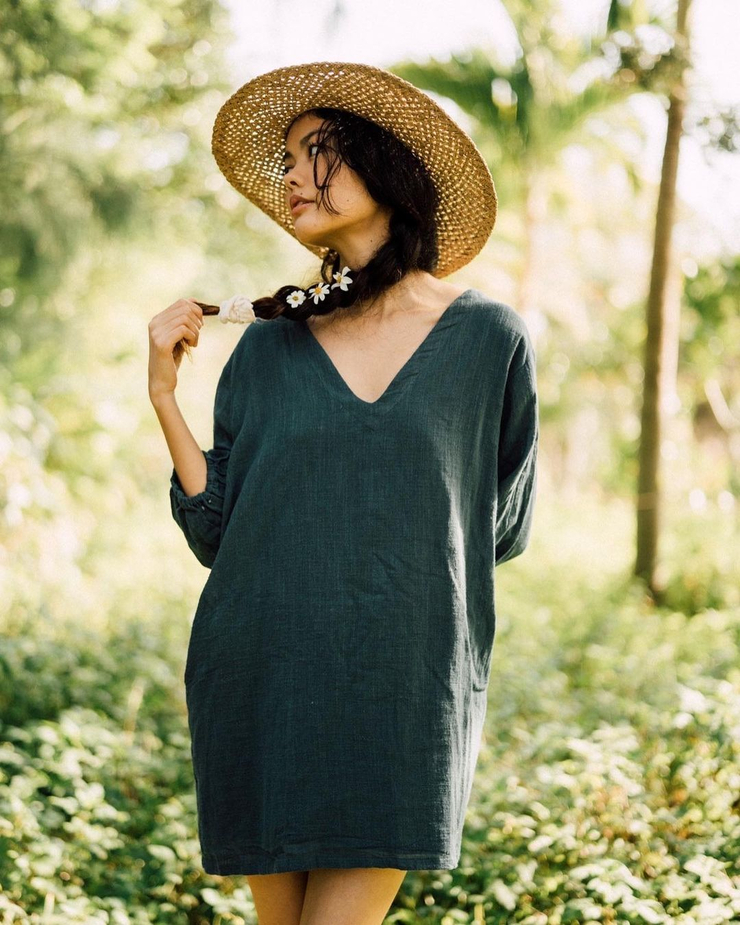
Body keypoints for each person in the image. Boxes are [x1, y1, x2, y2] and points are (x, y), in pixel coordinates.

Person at [148, 62, 539, 925]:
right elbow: (215, 529)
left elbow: (496, 528)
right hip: (263, 677)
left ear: (383, 165)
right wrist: (166, 398)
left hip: (404, 691)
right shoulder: (267, 347)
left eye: (312, 153)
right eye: (286, 158)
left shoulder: (489, 341)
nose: (289, 175)